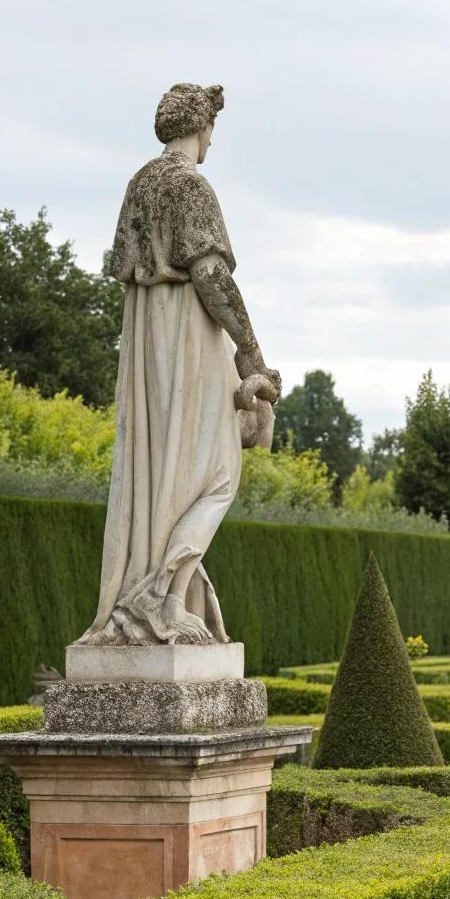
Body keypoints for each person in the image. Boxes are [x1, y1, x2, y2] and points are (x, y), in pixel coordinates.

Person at [80, 83, 278, 646]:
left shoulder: (139, 184)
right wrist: (251, 354)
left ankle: (154, 591)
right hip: (189, 336)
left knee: (161, 469)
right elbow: (212, 276)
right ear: (202, 127)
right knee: (216, 476)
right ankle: (165, 597)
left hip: (146, 337)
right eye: (212, 127)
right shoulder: (190, 185)